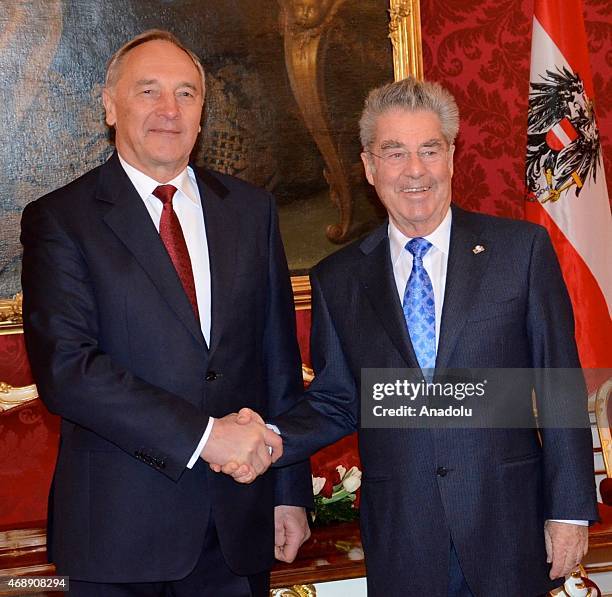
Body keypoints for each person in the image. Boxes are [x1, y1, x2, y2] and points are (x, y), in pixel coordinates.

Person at [228, 77, 598, 596]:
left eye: (430, 149)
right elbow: (337, 399)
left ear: (451, 157)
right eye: (395, 152)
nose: (415, 171)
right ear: (369, 166)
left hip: (507, 526)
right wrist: (267, 441)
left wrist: (569, 510)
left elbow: (557, 385)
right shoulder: (339, 278)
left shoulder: (521, 253)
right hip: (404, 536)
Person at [20, 29, 311, 597]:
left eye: (186, 94)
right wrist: (206, 436)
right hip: (119, 535)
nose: (168, 111)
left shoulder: (251, 211)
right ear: (110, 105)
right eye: (148, 91)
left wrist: (288, 490)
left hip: (238, 530)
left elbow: (279, 362)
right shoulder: (62, 220)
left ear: (203, 111)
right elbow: (68, 372)